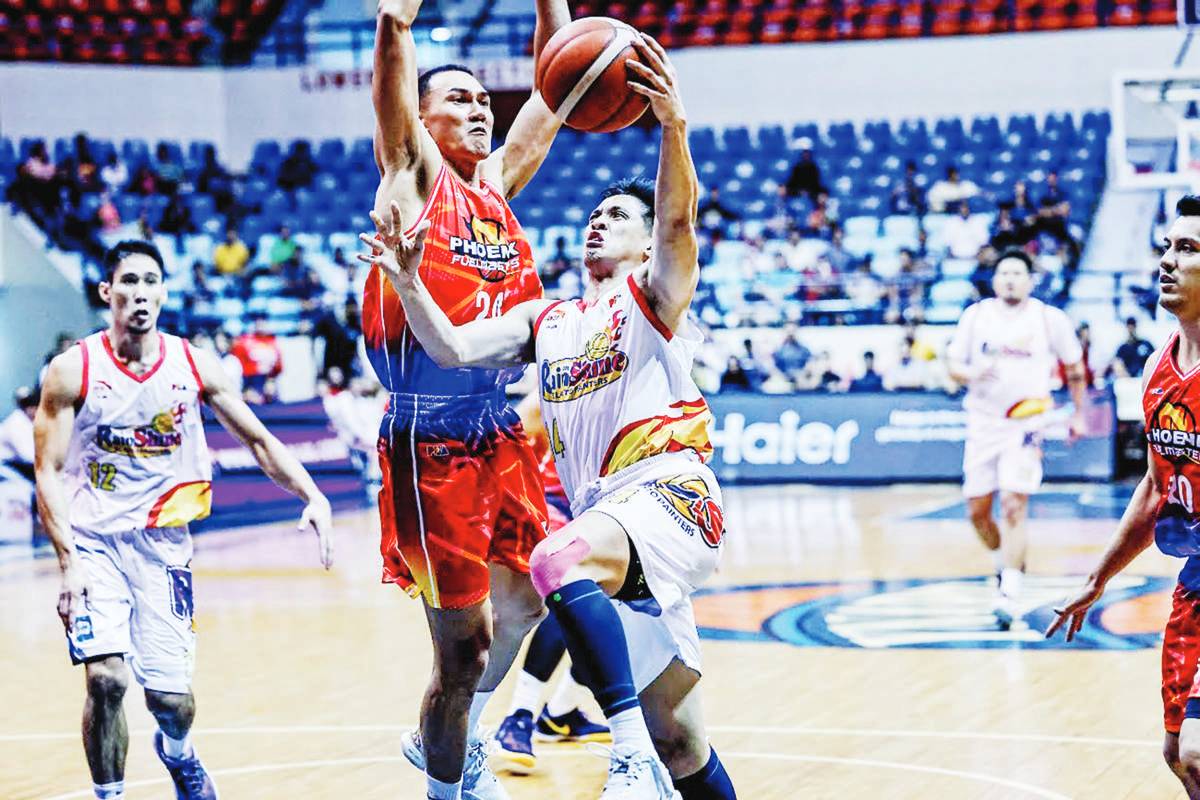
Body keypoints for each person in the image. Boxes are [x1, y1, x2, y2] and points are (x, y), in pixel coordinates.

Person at [360, 33, 737, 800]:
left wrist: (673, 129)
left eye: (620, 215)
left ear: (640, 248)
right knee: (684, 738)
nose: (601, 221)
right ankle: (517, 733)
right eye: (596, 211)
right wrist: (408, 282)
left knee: (552, 561)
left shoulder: (653, 298)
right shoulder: (550, 318)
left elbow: (677, 225)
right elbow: (458, 346)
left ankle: (619, 751)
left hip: (669, 495)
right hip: (605, 519)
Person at [33, 240, 333, 800]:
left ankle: (178, 752)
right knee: (106, 679)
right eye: (129, 282)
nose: (140, 293)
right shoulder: (73, 370)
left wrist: (311, 493)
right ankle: (111, 794)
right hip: (94, 541)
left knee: (171, 701)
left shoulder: (194, 363)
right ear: (107, 293)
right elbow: (46, 471)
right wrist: (68, 562)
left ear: (164, 292)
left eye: (151, 281)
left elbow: (259, 439)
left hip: (163, 544)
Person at [364, 0, 573, 797]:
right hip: (430, 444)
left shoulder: (496, 190)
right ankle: (447, 777)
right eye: (458, 98)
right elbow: (389, 86)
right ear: (419, 120)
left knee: (528, 601)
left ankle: (446, 736)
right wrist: (394, 24)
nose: (480, 106)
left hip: (497, 433)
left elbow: (555, 92)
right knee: (465, 652)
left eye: (485, 98)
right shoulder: (413, 181)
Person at [1047, 195, 1200, 797]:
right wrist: (1099, 577)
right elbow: (1157, 490)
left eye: (1187, 249)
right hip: (1195, 578)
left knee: (1198, 747)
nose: (1166, 260)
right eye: (1166, 246)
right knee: (1176, 754)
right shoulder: (1159, 370)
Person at [946, 248, 1087, 627]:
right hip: (982, 422)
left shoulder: (1047, 318)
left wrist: (1078, 413)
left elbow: (1074, 367)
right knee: (977, 511)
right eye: (1003, 272)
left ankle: (1010, 591)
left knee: (1013, 503)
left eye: (1017, 273)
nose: (1010, 278)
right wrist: (973, 372)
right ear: (994, 279)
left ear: (1029, 280)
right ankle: (1003, 560)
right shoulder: (975, 317)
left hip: (1026, 424)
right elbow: (953, 366)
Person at [492, 393, 611, 776]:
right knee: (572, 591)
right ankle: (519, 715)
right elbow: (507, 447)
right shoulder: (552, 394)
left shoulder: (629, 389)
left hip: (603, 510)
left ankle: (560, 711)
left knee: (619, 613)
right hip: (552, 507)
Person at [0, 386, 38, 482]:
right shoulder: (16, 422)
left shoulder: (30, 422)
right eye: (28, 404)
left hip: (20, 467)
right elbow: (27, 456)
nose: (33, 408)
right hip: (6, 468)